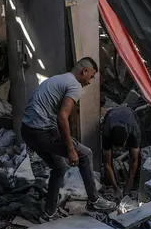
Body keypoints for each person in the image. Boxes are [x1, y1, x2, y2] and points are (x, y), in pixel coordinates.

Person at [20, 57, 115, 219]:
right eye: (91, 76)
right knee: (85, 154)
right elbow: (62, 117)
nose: (91, 81)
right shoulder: (74, 85)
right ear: (84, 71)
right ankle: (94, 200)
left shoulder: (58, 79)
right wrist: (71, 150)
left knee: (59, 167)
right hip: (41, 131)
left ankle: (49, 211)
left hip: (28, 131)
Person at [101, 106, 141, 198]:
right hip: (112, 114)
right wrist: (115, 188)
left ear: (126, 139)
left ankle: (135, 179)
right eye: (116, 148)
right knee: (106, 158)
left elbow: (134, 160)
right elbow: (106, 163)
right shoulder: (107, 133)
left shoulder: (134, 132)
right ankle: (111, 181)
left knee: (137, 154)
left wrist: (130, 181)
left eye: (121, 147)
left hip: (130, 114)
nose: (119, 151)